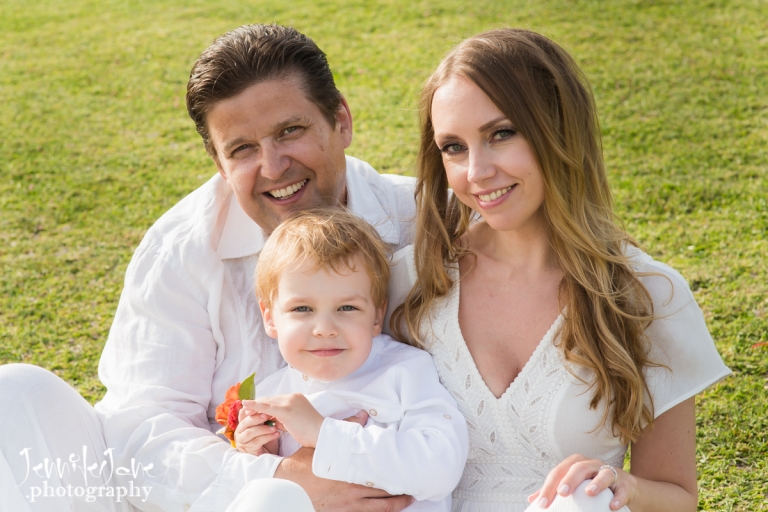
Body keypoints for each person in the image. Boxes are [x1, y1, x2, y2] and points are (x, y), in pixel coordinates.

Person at [0, 24, 417, 512]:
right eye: (242, 149)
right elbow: (140, 428)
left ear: (341, 120)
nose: (273, 166)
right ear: (218, 162)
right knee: (16, 393)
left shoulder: (428, 221)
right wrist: (281, 480)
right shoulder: (178, 251)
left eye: (290, 131)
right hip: (225, 500)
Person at [386, 28, 731, 512]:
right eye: (454, 147)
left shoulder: (645, 295)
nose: (476, 171)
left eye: (501, 134)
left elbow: (678, 496)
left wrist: (622, 485)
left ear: (560, 129)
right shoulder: (412, 283)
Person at [231, 208, 467, 511]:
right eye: (302, 309)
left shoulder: (405, 371)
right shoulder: (271, 396)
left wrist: (322, 433)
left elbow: (441, 467)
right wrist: (260, 453)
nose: (325, 329)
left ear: (377, 316)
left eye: (347, 308)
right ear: (270, 318)